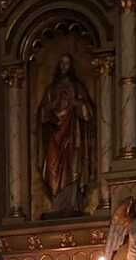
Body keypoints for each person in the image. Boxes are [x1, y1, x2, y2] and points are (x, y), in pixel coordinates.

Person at [38, 56, 95, 215]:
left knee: (72, 166)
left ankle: (71, 203)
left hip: (72, 134)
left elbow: (87, 113)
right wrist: (51, 108)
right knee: (53, 166)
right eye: (62, 63)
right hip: (55, 134)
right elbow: (42, 114)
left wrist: (77, 103)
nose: (64, 66)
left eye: (67, 63)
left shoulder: (77, 87)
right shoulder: (51, 90)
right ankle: (57, 204)